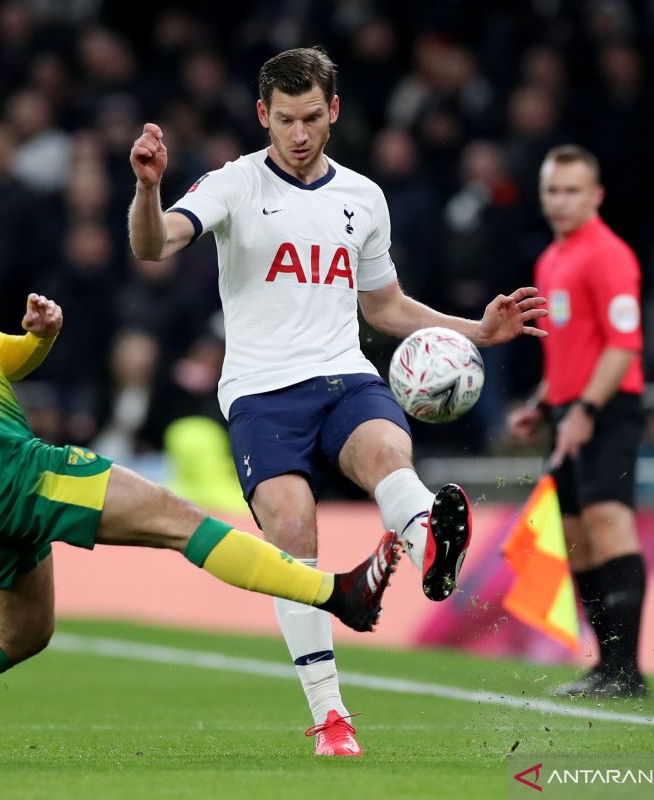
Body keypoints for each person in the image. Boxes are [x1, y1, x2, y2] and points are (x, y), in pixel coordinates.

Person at [0, 161, 403, 762]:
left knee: (22, 635)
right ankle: (338, 594)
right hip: (11, 469)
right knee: (178, 519)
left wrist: (37, 338)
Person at [127, 47, 547, 755]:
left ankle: (429, 551)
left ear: (335, 112)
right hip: (261, 394)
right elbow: (154, 244)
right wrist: (147, 190)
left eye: (311, 118)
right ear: (263, 115)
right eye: (285, 119)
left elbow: (383, 305)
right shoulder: (231, 184)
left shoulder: (364, 198)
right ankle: (330, 717)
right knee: (291, 536)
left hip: (344, 376)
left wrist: (477, 329)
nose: (298, 134)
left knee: (388, 452)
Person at [506, 144, 648, 698]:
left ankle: (628, 672)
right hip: (569, 411)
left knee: (610, 522)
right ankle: (606, 667)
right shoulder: (551, 259)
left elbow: (623, 346)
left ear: (596, 196)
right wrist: (544, 405)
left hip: (608, 410)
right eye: (552, 191)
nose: (561, 201)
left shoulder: (609, 255)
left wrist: (586, 410)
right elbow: (568, 352)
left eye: (572, 191)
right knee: (573, 537)